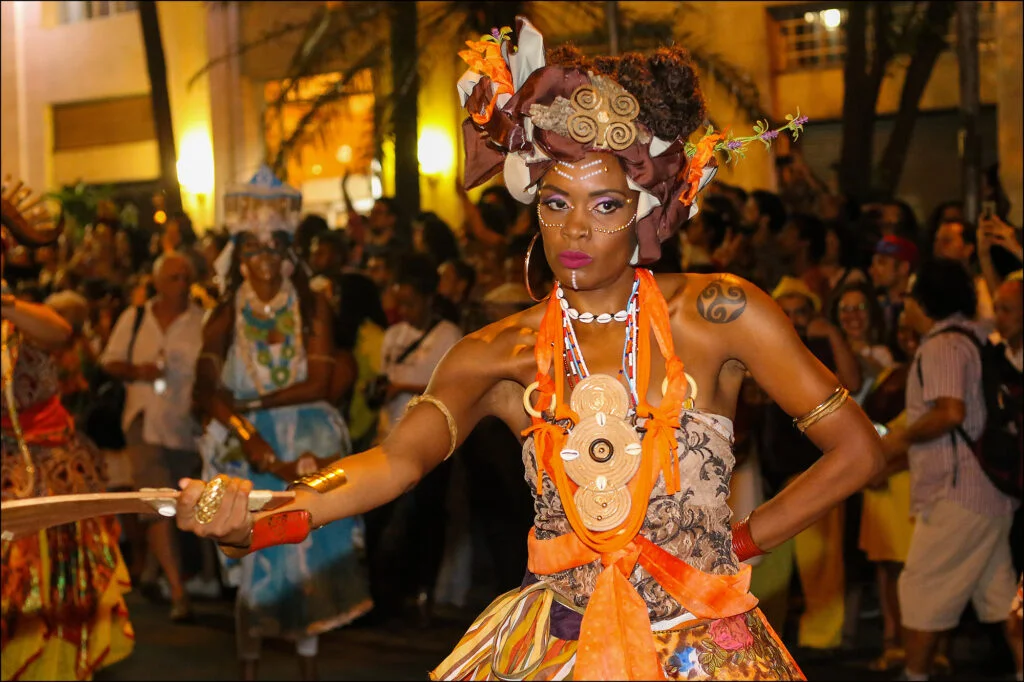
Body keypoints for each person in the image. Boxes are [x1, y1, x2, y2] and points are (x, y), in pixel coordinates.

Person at [175, 19, 882, 680]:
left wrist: (742, 542)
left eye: (605, 204)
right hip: (557, 646)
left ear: (644, 212)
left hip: (699, 646)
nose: (575, 228)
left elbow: (858, 452)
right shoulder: (497, 354)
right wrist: (266, 515)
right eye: (554, 202)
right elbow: (395, 460)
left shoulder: (723, 313)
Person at [193, 168, 372, 681]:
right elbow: (206, 389)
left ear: (289, 252)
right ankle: (249, 667)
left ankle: (308, 671)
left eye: (275, 248)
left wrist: (250, 409)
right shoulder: (225, 312)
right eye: (252, 248)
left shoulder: (312, 304)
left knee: (305, 553)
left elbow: (317, 383)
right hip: (245, 451)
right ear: (238, 255)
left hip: (306, 443)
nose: (264, 260)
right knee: (253, 559)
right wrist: (248, 434)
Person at [1, 185, 134, 680]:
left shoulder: (22, 317)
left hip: (49, 478)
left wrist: (5, 303)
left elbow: (62, 334)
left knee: (55, 601)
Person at [880, 258, 1022, 682]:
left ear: (923, 301)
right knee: (1000, 600)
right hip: (993, 493)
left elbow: (949, 412)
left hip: (957, 494)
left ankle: (915, 674)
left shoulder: (941, 345)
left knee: (920, 590)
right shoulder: (977, 334)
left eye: (909, 295)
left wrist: (899, 440)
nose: (904, 304)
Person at [99, 251, 207, 621]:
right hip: (143, 418)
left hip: (182, 425)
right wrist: (137, 370)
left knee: (179, 501)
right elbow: (109, 360)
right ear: (158, 281)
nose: (180, 284)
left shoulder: (201, 322)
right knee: (158, 498)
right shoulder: (136, 318)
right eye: (173, 277)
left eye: (184, 277)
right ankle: (179, 592)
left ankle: (154, 570)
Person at [870, 235, 918, 362]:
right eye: (873, 263)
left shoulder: (917, 311)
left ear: (903, 267)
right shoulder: (875, 305)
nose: (873, 270)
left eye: (882, 262)